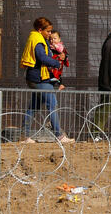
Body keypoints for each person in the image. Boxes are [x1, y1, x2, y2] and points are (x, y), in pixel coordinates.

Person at [19, 17, 74, 145]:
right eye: (48, 31)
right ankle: (59, 135)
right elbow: (42, 57)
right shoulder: (37, 40)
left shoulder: (37, 38)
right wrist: (56, 62)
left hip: (35, 77)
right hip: (39, 79)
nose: (50, 34)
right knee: (52, 104)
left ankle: (24, 135)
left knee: (34, 106)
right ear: (40, 30)